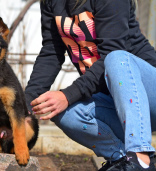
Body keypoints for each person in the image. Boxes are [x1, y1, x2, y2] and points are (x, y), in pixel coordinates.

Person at [24, 0, 156, 170]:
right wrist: (25, 104)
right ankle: (121, 159)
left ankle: (141, 158)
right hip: (117, 107)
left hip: (148, 96)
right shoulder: (51, 2)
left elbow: (111, 51)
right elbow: (51, 52)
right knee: (60, 110)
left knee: (116, 58)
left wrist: (68, 94)